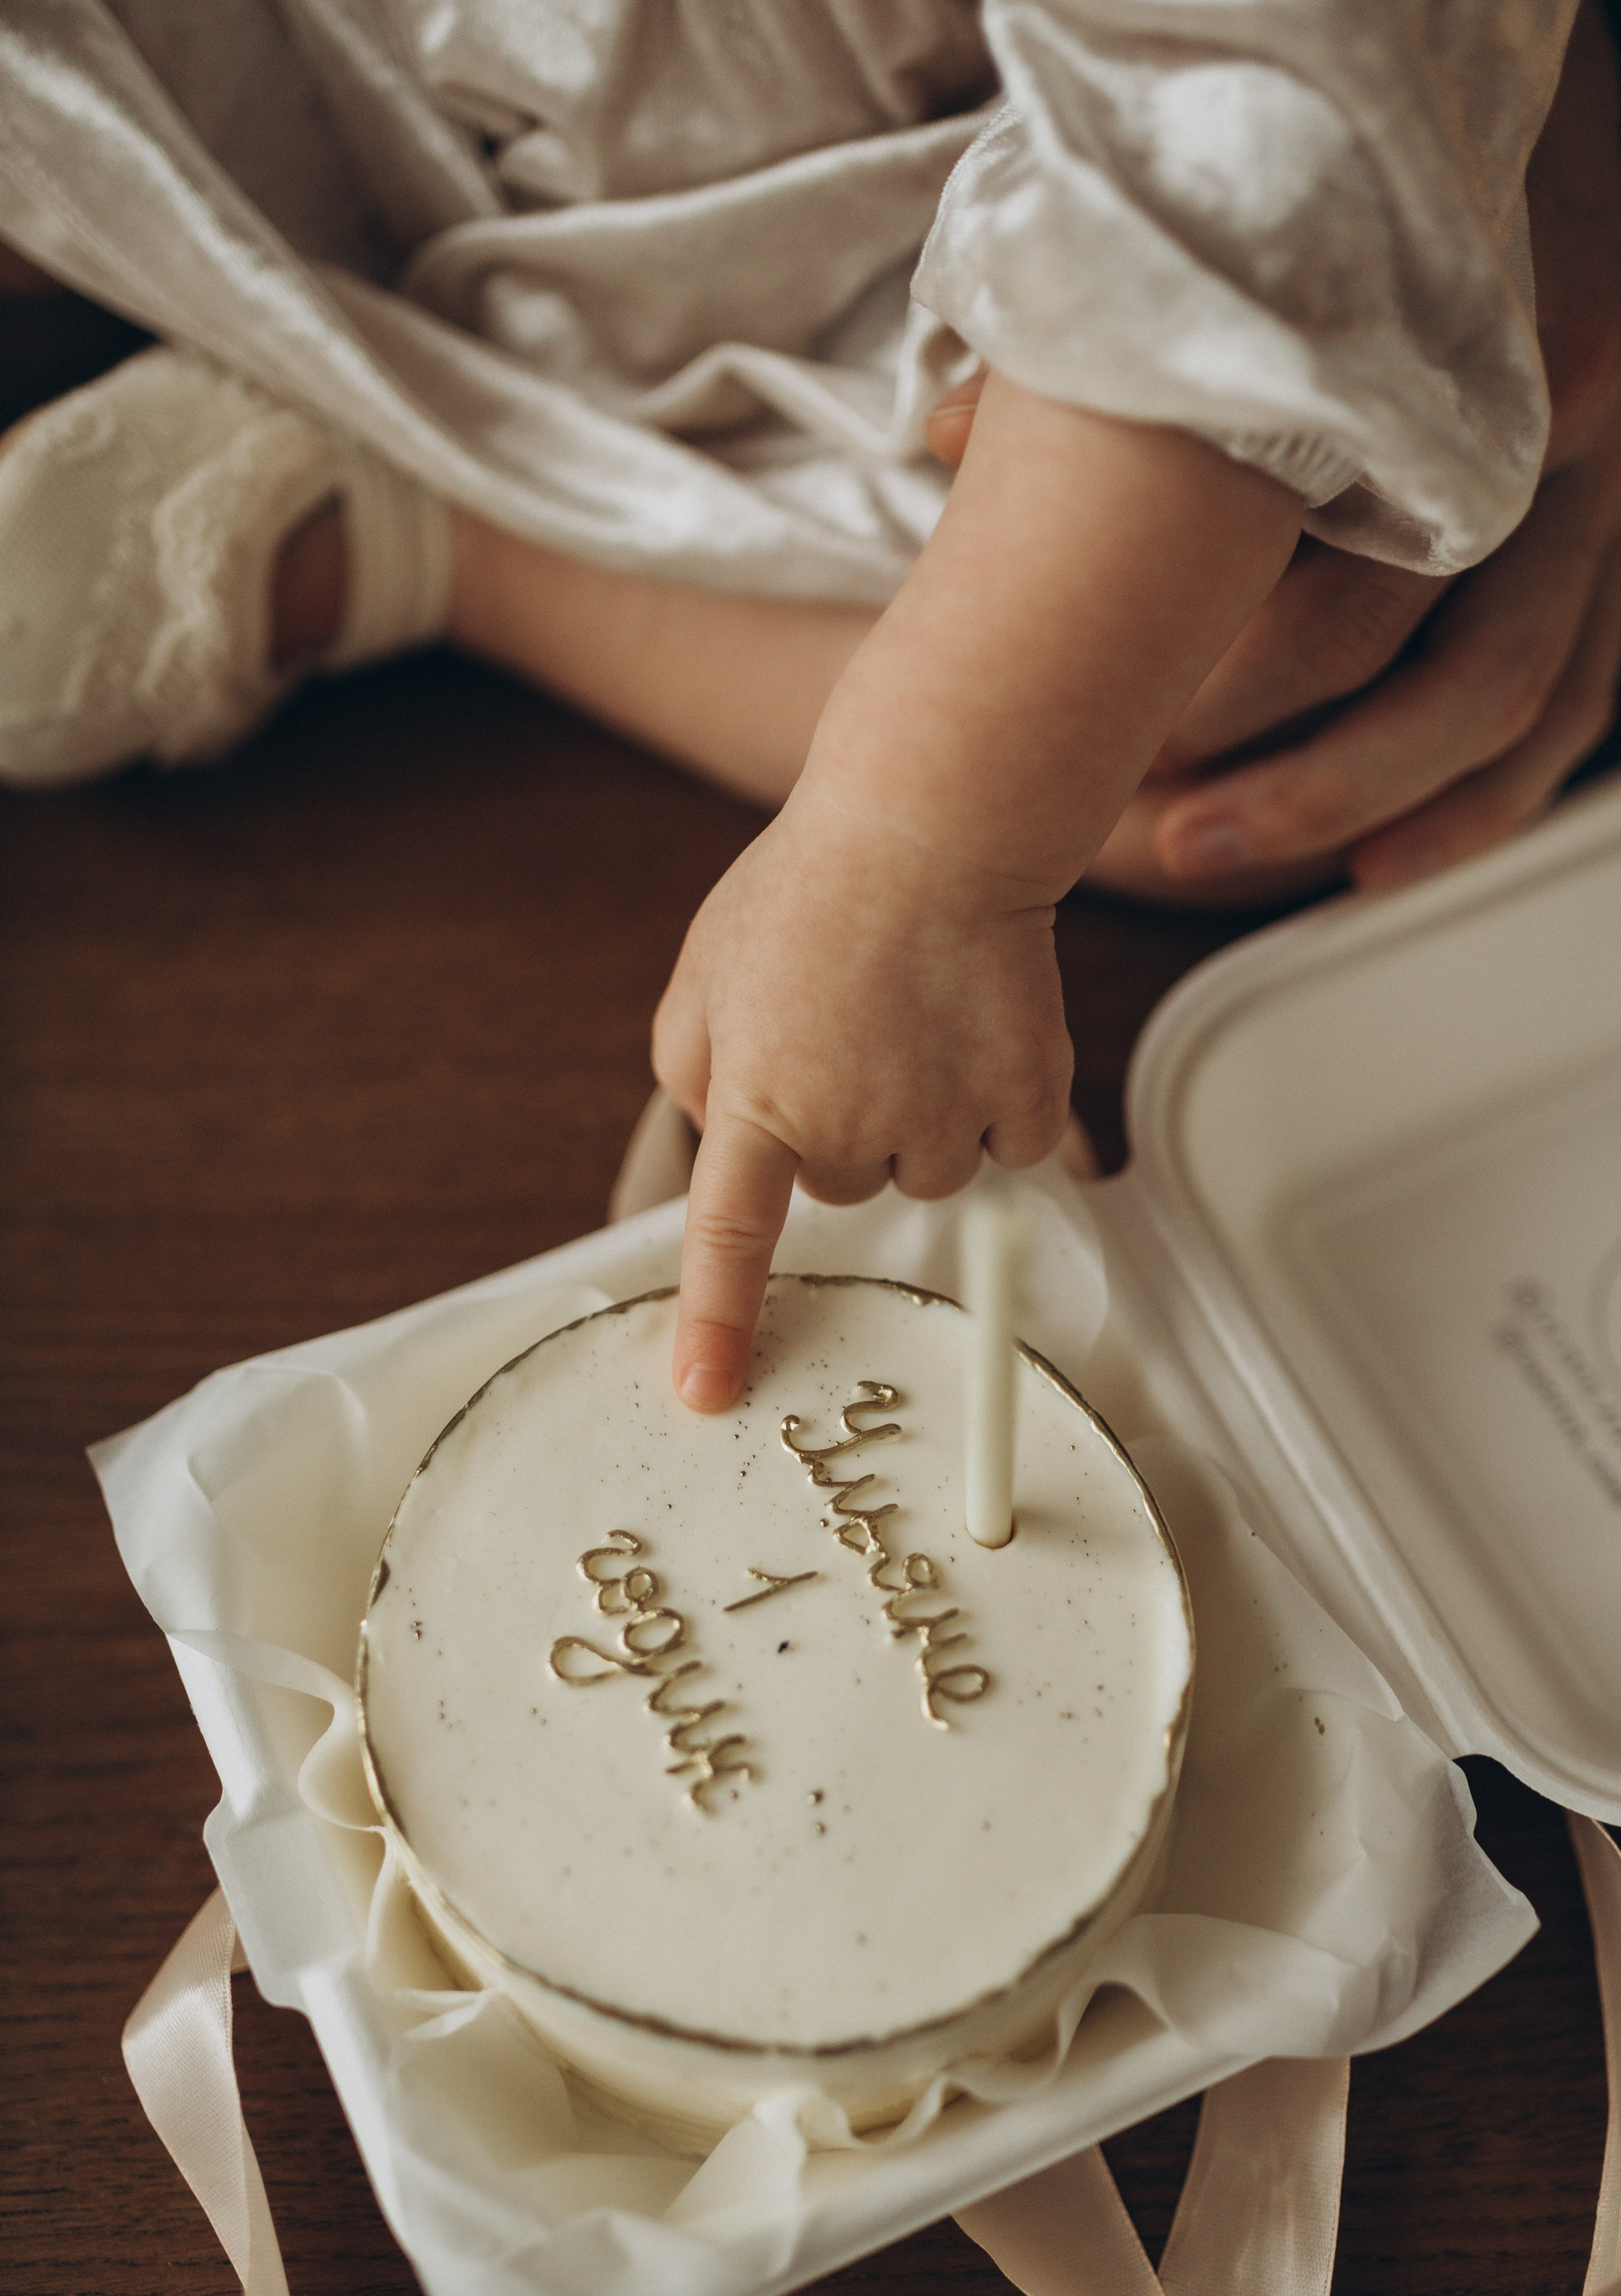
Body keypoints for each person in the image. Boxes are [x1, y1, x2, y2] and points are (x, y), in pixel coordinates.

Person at [3, 3, 1619, 1411]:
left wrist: (917, 851)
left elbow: (1244, 152)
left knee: (1252, 774)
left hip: (1069, 342)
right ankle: (434, 447)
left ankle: (449, 541)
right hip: (457, 219)